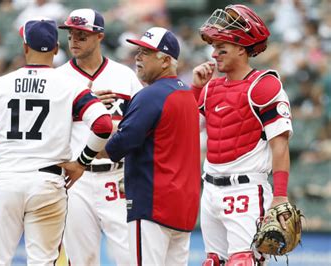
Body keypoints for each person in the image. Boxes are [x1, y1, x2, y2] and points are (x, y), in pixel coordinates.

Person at [0, 18, 112, 265]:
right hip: (48, 182)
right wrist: (81, 163)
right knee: (43, 260)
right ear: (55, 49)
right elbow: (103, 125)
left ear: (24, 48)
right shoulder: (71, 86)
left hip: (8, 179)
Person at [191, 4, 293, 265]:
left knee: (243, 261)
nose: (214, 55)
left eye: (221, 48)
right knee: (213, 261)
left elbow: (279, 144)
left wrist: (280, 196)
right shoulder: (210, 87)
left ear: (241, 49)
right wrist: (195, 88)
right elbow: (187, 126)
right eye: (214, 48)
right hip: (210, 189)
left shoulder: (264, 85)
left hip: (246, 189)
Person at [102, 27, 201, 266]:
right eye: (138, 51)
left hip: (152, 205)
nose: (138, 57)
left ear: (166, 60)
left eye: (146, 52)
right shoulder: (188, 95)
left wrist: (92, 123)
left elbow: (116, 147)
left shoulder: (151, 95)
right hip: (183, 209)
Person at [56, 8, 144, 265]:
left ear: (99, 37)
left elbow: (139, 124)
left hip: (116, 176)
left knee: (128, 256)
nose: (74, 40)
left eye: (82, 35)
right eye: (71, 34)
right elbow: (49, 129)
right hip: (76, 180)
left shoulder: (124, 76)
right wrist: (85, 102)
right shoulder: (59, 78)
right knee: (82, 258)